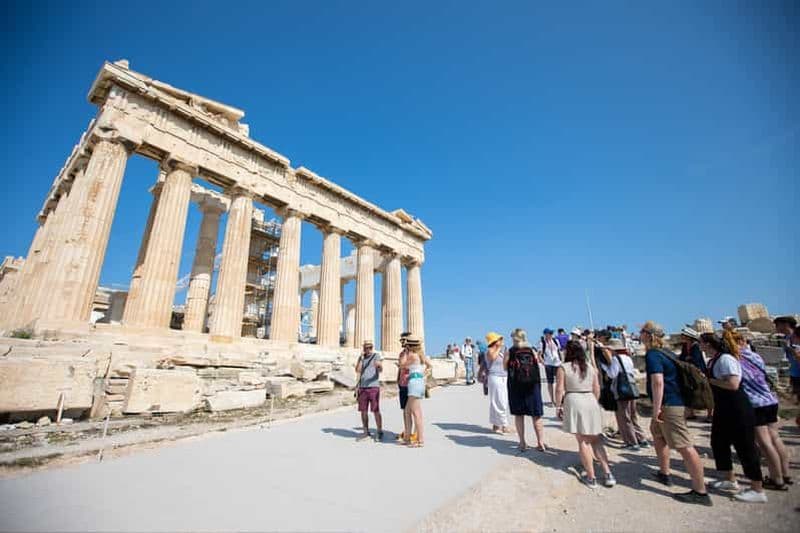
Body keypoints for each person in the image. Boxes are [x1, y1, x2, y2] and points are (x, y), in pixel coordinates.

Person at [641, 320, 711, 506]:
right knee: (658, 437)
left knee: (684, 446)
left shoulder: (653, 355)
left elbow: (658, 382)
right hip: (671, 403)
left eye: (642, 331)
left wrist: (657, 409)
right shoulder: (668, 353)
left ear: (649, 335)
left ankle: (700, 491)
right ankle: (664, 473)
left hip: (668, 405)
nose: (639, 334)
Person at [700, 331, 766, 503]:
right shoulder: (714, 360)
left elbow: (733, 384)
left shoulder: (726, 359)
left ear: (708, 344)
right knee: (718, 442)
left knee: (745, 447)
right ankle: (729, 479)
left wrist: (710, 381)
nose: (699, 345)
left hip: (737, 408)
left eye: (701, 342)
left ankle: (757, 488)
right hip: (724, 408)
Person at [735, 332, 792, 489]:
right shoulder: (755, 356)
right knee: (775, 438)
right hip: (770, 399)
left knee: (765, 443)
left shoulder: (736, 360)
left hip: (755, 403)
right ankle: (785, 474)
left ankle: (777, 479)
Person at [555, 341, 615, 488]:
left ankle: (591, 477)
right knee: (596, 440)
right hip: (590, 400)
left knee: (583, 441)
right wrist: (594, 401)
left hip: (574, 400)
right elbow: (597, 388)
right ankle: (608, 473)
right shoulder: (590, 367)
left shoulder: (564, 368)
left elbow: (559, 389)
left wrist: (558, 405)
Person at [600, 338, 649, 450]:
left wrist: (605, 367)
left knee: (624, 417)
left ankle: (631, 443)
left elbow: (612, 374)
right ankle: (641, 438)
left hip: (622, 390)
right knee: (633, 416)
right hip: (632, 389)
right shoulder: (628, 358)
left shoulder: (616, 359)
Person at [506, 329, 546, 451]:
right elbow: (537, 365)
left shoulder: (511, 351)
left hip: (516, 386)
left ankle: (522, 443)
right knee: (536, 415)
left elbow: (504, 366)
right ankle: (540, 442)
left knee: (519, 415)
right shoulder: (532, 350)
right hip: (532, 386)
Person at [402, 335, 431, 447]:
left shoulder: (412, 355)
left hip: (414, 383)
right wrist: (422, 375)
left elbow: (402, 365)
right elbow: (429, 366)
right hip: (418, 381)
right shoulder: (420, 355)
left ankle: (420, 440)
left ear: (409, 345)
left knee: (416, 413)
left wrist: (405, 352)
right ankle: (407, 438)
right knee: (407, 411)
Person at [678, 326, 710, 421]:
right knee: (689, 392)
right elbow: (682, 358)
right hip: (688, 372)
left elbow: (695, 359)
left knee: (705, 393)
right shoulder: (685, 346)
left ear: (688, 336)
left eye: (683, 335)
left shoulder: (696, 346)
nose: (682, 336)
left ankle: (710, 414)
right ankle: (690, 413)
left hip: (699, 371)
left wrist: (688, 358)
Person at [774, 316, 800, 426]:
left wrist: (792, 349)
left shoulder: (797, 336)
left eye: (777, 325)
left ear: (785, 324)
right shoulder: (786, 338)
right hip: (794, 373)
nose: (776, 327)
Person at [355, 340, 383, 441]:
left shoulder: (376, 356)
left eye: (370, 347)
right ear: (364, 348)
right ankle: (366, 432)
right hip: (362, 387)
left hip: (373, 387)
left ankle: (379, 431)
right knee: (363, 411)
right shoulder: (362, 358)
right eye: (367, 347)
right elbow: (358, 370)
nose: (369, 349)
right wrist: (361, 358)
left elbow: (380, 369)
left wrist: (379, 366)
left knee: (375, 410)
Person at [485, 331, 509, 433]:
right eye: (499, 339)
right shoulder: (490, 351)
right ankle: (504, 425)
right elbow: (493, 358)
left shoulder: (503, 350)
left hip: (504, 376)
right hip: (495, 376)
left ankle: (496, 425)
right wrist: (498, 347)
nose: (501, 341)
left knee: (498, 401)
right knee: (500, 401)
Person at [396, 332, 417, 443]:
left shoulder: (414, 354)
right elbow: (400, 368)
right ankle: (407, 431)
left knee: (414, 410)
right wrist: (397, 380)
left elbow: (405, 365)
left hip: (411, 384)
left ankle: (415, 433)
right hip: (402, 384)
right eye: (401, 340)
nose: (402, 342)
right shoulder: (402, 354)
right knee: (405, 410)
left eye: (404, 340)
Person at [540, 328, 562, 406]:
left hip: (557, 363)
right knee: (550, 383)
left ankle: (559, 399)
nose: (550, 335)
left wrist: (561, 360)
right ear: (545, 334)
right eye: (549, 333)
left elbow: (559, 351)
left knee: (559, 381)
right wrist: (544, 363)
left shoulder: (556, 341)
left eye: (551, 333)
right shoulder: (542, 343)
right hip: (549, 364)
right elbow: (539, 354)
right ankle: (552, 400)